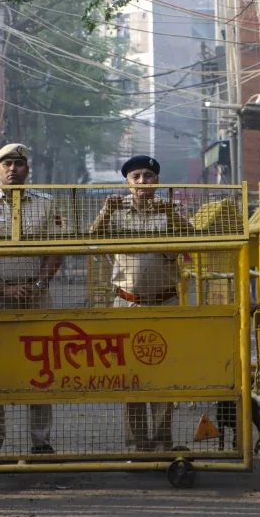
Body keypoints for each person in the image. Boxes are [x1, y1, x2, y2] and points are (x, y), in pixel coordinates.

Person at [0, 144, 65, 455]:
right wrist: (2, 288)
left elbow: (56, 249)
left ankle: (41, 440)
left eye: (19, 164)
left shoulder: (47, 204)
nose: (13, 169)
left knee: (41, 365)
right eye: (6, 164)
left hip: (37, 296)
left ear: (28, 169)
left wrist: (39, 283)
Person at [89, 155, 191, 451]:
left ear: (157, 182)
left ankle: (163, 439)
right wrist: (106, 213)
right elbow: (92, 239)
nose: (143, 182)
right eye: (137, 177)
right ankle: (139, 443)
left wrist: (170, 213)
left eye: (148, 176)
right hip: (128, 303)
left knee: (164, 372)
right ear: (128, 183)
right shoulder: (116, 210)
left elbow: (191, 238)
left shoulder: (170, 208)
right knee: (131, 374)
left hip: (165, 301)